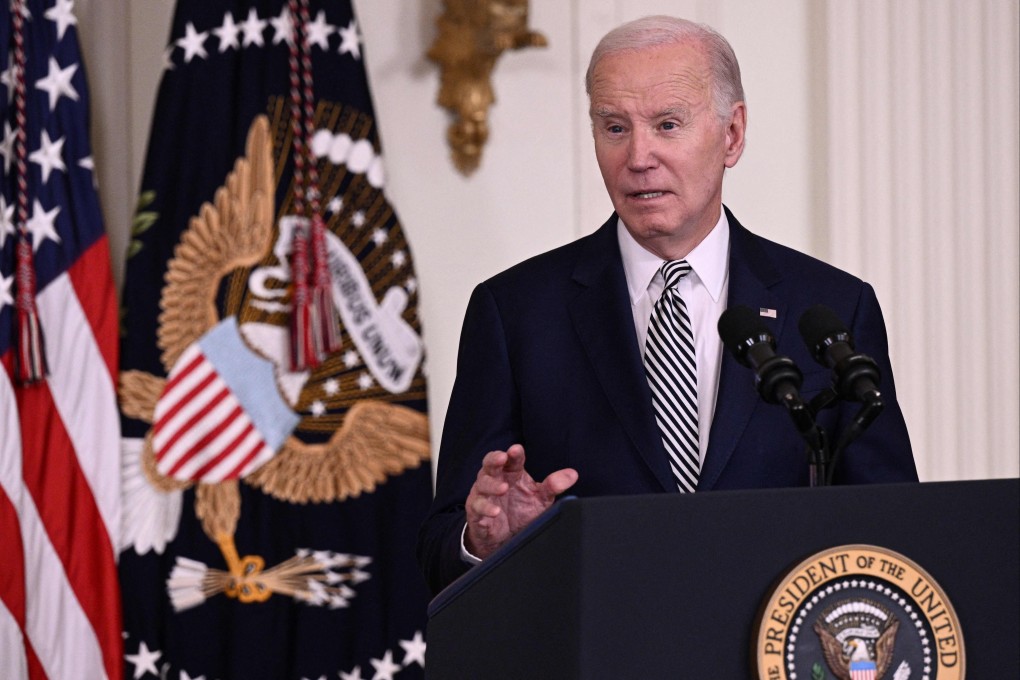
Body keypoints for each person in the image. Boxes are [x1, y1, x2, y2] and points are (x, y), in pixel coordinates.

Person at [416, 15, 917, 595]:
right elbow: (437, 551)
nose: (638, 156)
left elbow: (891, 533)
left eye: (667, 124)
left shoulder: (829, 309)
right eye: (614, 128)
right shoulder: (516, 313)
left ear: (732, 135)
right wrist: (484, 541)